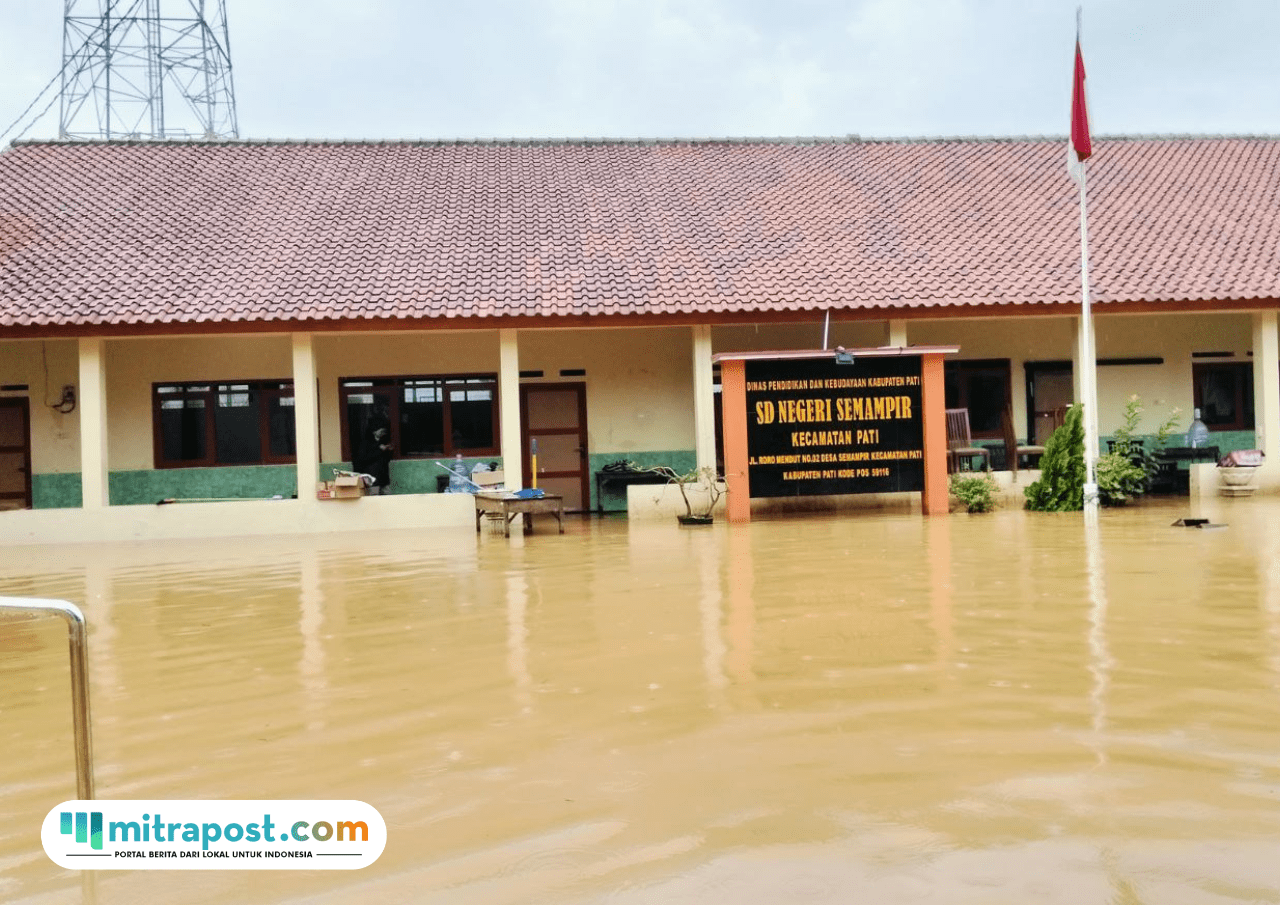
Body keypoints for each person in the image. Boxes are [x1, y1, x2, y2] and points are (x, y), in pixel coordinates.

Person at [354, 425, 393, 494]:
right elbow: (364, 458)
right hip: (373, 477)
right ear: (374, 432)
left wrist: (388, 450)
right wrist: (380, 450)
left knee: (387, 496)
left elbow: (387, 459)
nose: (382, 433)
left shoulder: (383, 441)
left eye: (383, 431)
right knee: (374, 497)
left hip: (384, 477)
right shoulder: (366, 443)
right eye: (381, 431)